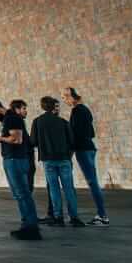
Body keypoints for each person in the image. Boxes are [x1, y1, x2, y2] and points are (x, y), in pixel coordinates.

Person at [0, 98, 40, 240]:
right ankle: (27, 225)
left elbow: (16, 139)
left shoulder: (11, 118)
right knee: (19, 195)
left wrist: (0, 139)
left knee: (22, 194)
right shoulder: (7, 120)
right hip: (13, 159)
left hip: (16, 160)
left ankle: (31, 228)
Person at [32, 96, 85, 227]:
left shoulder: (37, 122)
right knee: (69, 189)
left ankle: (58, 217)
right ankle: (74, 218)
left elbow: (33, 141)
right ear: (53, 107)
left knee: (54, 189)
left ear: (43, 107)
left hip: (48, 160)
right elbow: (72, 142)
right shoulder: (63, 122)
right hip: (64, 159)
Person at [63, 86, 109, 226]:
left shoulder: (77, 111)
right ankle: (102, 215)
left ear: (73, 97)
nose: (64, 100)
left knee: (92, 182)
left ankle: (102, 216)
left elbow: (75, 134)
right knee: (93, 181)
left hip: (83, 150)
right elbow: (91, 133)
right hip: (89, 148)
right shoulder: (85, 110)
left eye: (66, 97)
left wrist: (70, 151)